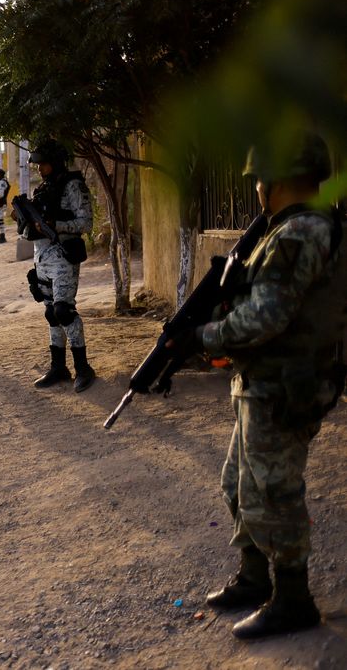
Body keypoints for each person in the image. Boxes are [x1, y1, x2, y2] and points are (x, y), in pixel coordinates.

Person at [187, 133, 346, 640]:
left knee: (274, 493)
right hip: (265, 380)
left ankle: (293, 598)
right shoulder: (290, 230)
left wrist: (205, 336)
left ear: (275, 181)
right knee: (238, 484)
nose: (256, 189)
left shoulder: (300, 232)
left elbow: (267, 315)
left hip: (286, 385)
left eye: (258, 179)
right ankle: (255, 578)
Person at [23, 140, 96, 392]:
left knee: (64, 311)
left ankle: (83, 368)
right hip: (42, 257)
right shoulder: (44, 188)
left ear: (55, 162)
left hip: (63, 256)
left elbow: (86, 223)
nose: (39, 168)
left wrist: (57, 226)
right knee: (51, 313)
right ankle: (58, 367)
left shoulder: (73, 186)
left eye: (43, 163)